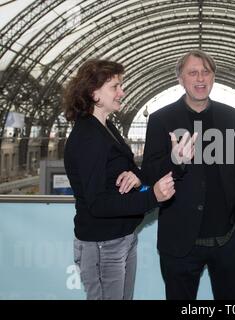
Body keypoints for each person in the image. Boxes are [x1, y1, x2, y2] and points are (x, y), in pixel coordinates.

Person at [141, 50, 235, 300]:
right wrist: (175, 161)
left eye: (206, 72)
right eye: (192, 72)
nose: (200, 78)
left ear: (214, 77)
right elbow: (149, 174)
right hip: (180, 242)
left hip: (228, 238)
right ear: (180, 79)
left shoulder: (232, 117)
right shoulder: (161, 120)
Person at [63, 59, 177, 300]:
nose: (122, 92)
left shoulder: (106, 128)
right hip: (102, 245)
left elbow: (132, 172)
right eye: (115, 87)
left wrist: (171, 161)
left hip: (120, 238)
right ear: (94, 93)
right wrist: (152, 197)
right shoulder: (88, 138)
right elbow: (98, 204)